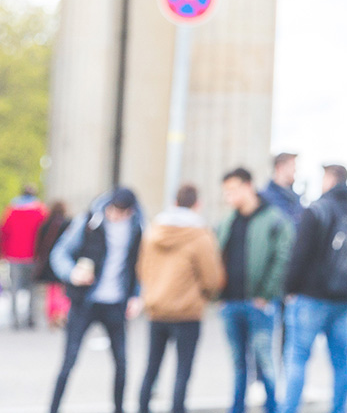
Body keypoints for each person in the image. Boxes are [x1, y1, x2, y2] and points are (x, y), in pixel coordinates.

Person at [281, 164, 347, 413]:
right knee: (341, 362)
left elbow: (299, 254)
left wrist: (289, 289)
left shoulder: (317, 211)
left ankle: (289, 409)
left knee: (298, 359)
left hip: (311, 297)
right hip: (346, 299)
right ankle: (339, 410)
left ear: (331, 179)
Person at [48, 187, 145, 413]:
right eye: (113, 211)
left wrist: (136, 296)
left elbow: (139, 265)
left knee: (122, 364)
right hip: (85, 302)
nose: (115, 217)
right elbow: (59, 253)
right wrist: (72, 273)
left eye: (121, 213)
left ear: (130, 212)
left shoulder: (137, 228)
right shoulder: (90, 222)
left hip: (116, 304)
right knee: (68, 362)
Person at [135, 184, 223, 413]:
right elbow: (212, 278)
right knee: (182, 372)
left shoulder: (154, 231)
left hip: (156, 309)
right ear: (197, 204)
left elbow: (142, 269)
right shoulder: (200, 236)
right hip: (187, 312)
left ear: (174, 202)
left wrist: (152, 292)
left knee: (151, 368)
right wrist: (205, 296)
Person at [218, 167, 293, 413]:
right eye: (226, 192)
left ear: (248, 186)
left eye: (232, 190)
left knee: (265, 362)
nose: (228, 196)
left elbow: (283, 258)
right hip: (231, 303)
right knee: (239, 365)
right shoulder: (229, 221)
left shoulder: (274, 219)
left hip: (259, 304)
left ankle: (273, 408)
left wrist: (266, 294)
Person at [4, 183, 46, 329]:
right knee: (33, 288)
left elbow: (4, 231)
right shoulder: (40, 211)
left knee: (14, 287)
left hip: (14, 255)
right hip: (33, 256)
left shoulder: (12, 210)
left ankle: (15, 319)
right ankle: (30, 318)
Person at [34, 200, 73, 329]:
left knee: (51, 291)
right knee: (63, 290)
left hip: (48, 262)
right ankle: (62, 313)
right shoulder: (68, 224)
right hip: (63, 261)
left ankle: (52, 316)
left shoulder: (46, 224)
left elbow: (39, 244)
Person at [261, 155, 302, 227]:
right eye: (292, 165)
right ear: (280, 167)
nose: (295, 169)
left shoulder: (296, 198)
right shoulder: (265, 197)